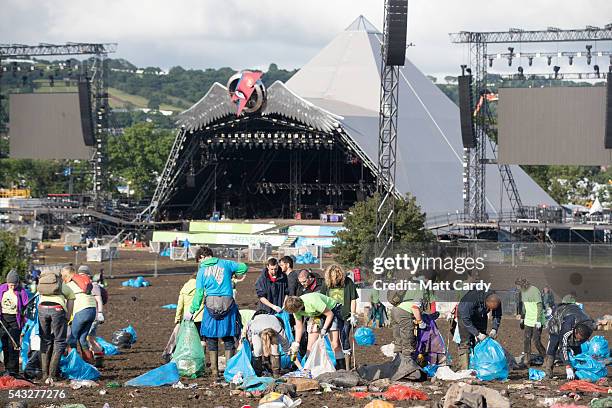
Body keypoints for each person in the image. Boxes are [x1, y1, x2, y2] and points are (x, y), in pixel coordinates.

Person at [188, 247, 248, 379]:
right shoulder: (226, 264)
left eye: (199, 260)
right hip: (228, 305)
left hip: (210, 306)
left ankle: (215, 372)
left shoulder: (202, 271)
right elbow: (243, 268)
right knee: (228, 338)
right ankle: (229, 371)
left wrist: (192, 310)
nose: (199, 263)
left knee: (211, 338)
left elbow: (199, 293)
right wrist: (233, 272)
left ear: (203, 257)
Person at [285, 292, 345, 369]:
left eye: (296, 312)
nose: (296, 313)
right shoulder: (295, 310)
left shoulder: (313, 301)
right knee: (310, 347)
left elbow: (330, 314)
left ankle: (341, 369)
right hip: (316, 315)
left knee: (335, 345)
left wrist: (324, 329)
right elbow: (299, 326)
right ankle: (306, 370)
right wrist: (296, 343)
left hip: (331, 310)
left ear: (299, 307)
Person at [38, 266, 75, 384]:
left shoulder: (43, 286)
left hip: (42, 308)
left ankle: (44, 375)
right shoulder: (61, 285)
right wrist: (68, 315)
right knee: (59, 342)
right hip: (57, 309)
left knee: (45, 341)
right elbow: (71, 298)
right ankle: (53, 375)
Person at [543, 295, 594, 379]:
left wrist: (577, 343)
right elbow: (563, 348)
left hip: (574, 324)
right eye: (577, 337)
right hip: (556, 325)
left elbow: (581, 339)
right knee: (553, 346)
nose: (578, 340)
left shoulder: (589, 327)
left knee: (577, 347)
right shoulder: (567, 327)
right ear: (575, 331)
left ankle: (578, 371)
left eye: (580, 339)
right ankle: (548, 371)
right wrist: (567, 365)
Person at [456, 290, 502, 370]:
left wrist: (494, 329)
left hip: (481, 314)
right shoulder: (471, 300)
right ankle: (464, 368)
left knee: (483, 341)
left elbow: (497, 315)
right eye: (489, 309)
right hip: (464, 316)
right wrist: (477, 334)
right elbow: (466, 319)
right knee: (466, 341)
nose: (490, 311)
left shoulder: (496, 301)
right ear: (486, 302)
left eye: (491, 310)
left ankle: (481, 366)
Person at [323, 264, 358, 366]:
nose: (336, 280)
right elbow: (322, 299)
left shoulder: (348, 282)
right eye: (334, 278)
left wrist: (353, 314)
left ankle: (347, 365)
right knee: (335, 342)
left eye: (338, 278)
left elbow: (353, 299)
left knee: (345, 338)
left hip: (346, 316)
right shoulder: (326, 284)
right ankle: (339, 364)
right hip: (332, 317)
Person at [63, 266, 97, 364]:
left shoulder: (69, 284)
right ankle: (89, 362)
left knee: (72, 338)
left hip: (82, 310)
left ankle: (74, 364)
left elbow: (65, 301)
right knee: (82, 338)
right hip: (92, 310)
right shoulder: (82, 282)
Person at [0, 270, 30, 377]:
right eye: (10, 284)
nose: (11, 287)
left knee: (14, 345)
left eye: (13, 284)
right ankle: (7, 369)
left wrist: (24, 317)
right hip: (3, 319)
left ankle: (14, 370)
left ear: (17, 283)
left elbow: (26, 306)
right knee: (5, 345)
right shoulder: (2, 289)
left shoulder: (21, 291)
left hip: (15, 320)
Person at [388, 284, 427, 364]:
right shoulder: (419, 288)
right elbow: (415, 308)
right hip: (404, 313)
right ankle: (407, 366)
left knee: (398, 340)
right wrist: (420, 322)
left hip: (395, 310)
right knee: (407, 341)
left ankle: (396, 362)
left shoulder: (409, 285)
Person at [245, 311, 290, 377]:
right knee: (257, 349)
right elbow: (249, 337)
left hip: (273, 325)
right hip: (257, 328)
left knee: (275, 349)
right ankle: (258, 372)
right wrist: (250, 344)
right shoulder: (254, 328)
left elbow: (286, 347)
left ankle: (276, 373)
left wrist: (291, 356)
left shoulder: (279, 331)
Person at [515, 278, 546, 367]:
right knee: (526, 340)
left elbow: (539, 306)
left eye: (518, 287)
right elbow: (524, 307)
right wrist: (522, 317)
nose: (518, 289)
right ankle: (526, 360)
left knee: (536, 341)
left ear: (522, 285)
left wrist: (539, 320)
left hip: (536, 319)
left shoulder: (534, 290)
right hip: (528, 320)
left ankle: (546, 358)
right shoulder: (523, 292)